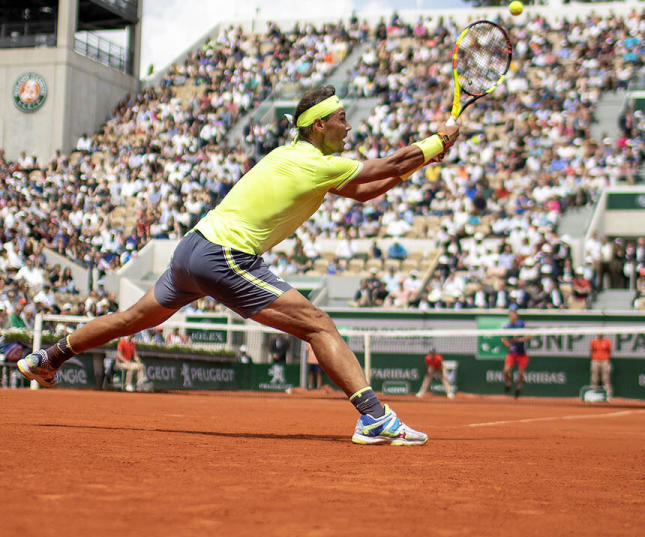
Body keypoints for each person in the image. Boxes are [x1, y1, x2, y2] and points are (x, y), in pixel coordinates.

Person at [17, 85, 460, 445]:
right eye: (341, 117)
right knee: (319, 325)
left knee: (133, 317)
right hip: (224, 255)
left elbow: (365, 190)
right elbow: (391, 162)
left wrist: (420, 164)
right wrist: (437, 141)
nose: (348, 125)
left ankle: (48, 356)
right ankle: (374, 418)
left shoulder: (300, 160)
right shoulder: (312, 162)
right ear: (319, 124)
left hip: (192, 248)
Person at [501, 308, 530, 398]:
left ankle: (519, 386)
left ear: (516, 315)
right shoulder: (507, 326)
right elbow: (502, 337)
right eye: (510, 315)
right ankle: (509, 384)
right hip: (511, 353)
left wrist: (520, 339)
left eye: (513, 315)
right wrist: (507, 344)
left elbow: (529, 335)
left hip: (521, 353)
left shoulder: (522, 324)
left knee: (521, 372)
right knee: (506, 371)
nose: (512, 317)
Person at [589, 333, 613, 399]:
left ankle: (608, 395)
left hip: (605, 361)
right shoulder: (593, 341)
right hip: (595, 361)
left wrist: (605, 358)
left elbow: (609, 350)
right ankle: (592, 394)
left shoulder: (607, 341)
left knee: (605, 378)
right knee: (594, 378)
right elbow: (591, 350)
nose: (600, 335)